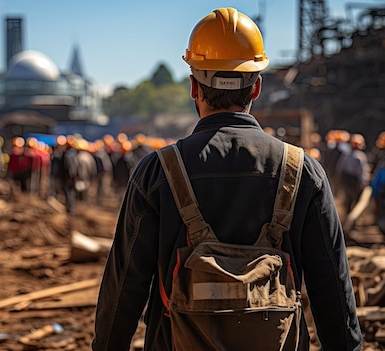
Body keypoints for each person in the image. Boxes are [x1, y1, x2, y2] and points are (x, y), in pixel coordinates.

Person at [93, 8, 361, 351]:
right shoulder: (303, 172)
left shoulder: (157, 172)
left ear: (193, 86)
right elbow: (333, 289)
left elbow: (124, 284)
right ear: (257, 87)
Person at [335, 133, 370, 213]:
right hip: (355, 182)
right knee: (356, 200)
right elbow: (362, 171)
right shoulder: (360, 156)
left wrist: (339, 178)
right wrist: (364, 182)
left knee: (348, 199)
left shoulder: (346, 155)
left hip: (346, 180)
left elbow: (340, 167)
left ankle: (347, 213)